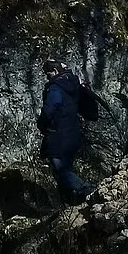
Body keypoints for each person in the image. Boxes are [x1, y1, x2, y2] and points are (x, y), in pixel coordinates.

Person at [37, 58, 94, 203]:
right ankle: (72, 203)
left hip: (58, 134)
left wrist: (41, 125)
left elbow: (49, 110)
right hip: (74, 133)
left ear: (55, 71)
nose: (47, 76)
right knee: (67, 167)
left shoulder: (55, 88)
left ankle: (85, 189)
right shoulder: (74, 84)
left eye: (48, 73)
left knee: (60, 168)